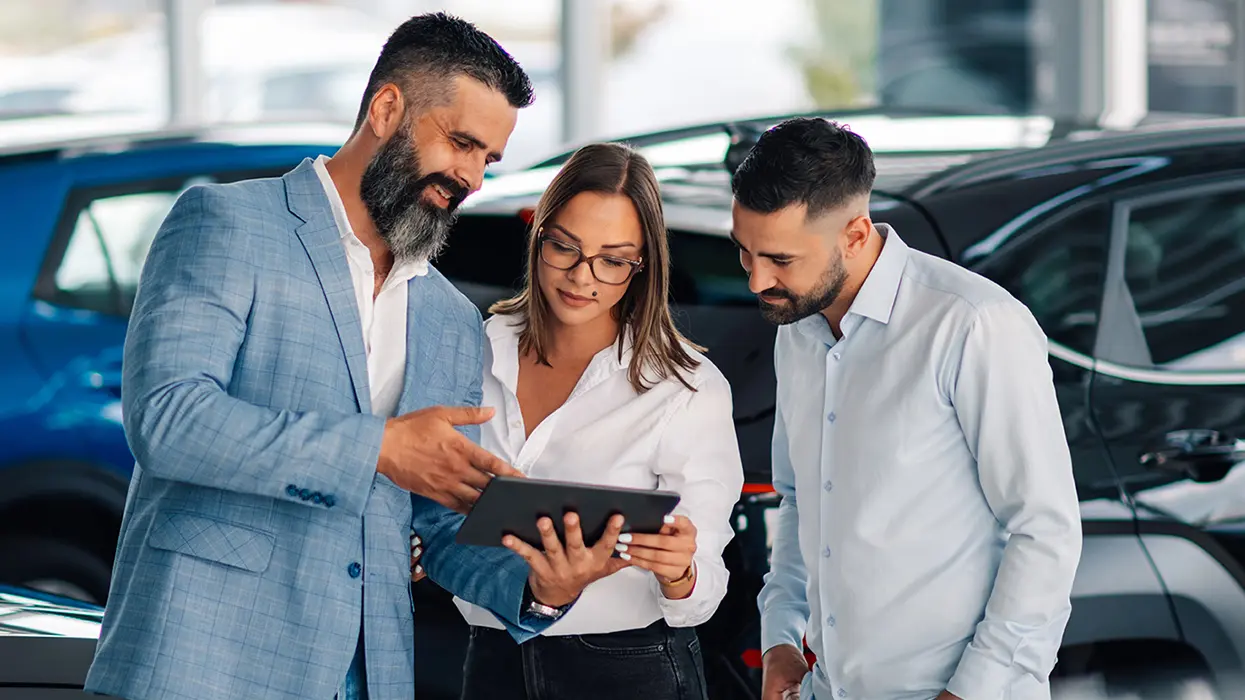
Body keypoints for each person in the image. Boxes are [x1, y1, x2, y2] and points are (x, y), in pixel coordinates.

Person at [84, 14, 625, 700]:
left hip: (367, 674)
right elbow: (169, 421)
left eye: (487, 159)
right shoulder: (226, 224)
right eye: (460, 143)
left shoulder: (450, 317)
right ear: (386, 108)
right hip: (204, 662)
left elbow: (436, 521)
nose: (471, 178)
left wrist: (540, 587)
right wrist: (376, 448)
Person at [732, 118, 1083, 700]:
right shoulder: (794, 329)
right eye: (743, 252)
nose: (756, 280)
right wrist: (780, 640)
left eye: (780, 259)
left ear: (855, 233)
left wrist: (970, 692)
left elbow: (1044, 532)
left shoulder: (972, 324)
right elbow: (798, 500)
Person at [410, 142, 743, 699]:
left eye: (613, 260)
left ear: (643, 266)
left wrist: (680, 571)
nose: (582, 277)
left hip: (628, 667)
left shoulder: (687, 387)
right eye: (564, 247)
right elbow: (429, 506)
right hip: (489, 659)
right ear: (538, 234)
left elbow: (703, 588)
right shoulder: (471, 351)